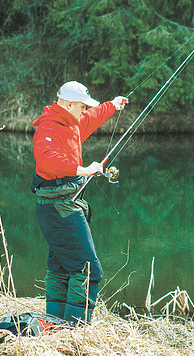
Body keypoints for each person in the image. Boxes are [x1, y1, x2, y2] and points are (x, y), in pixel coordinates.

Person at [31, 81, 128, 324]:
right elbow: (46, 160)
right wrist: (81, 169)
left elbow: (92, 117)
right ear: (70, 104)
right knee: (88, 270)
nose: (84, 110)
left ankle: (54, 324)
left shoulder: (71, 122)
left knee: (63, 267)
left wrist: (113, 106)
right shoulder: (48, 128)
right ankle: (76, 330)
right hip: (58, 208)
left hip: (60, 205)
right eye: (82, 106)